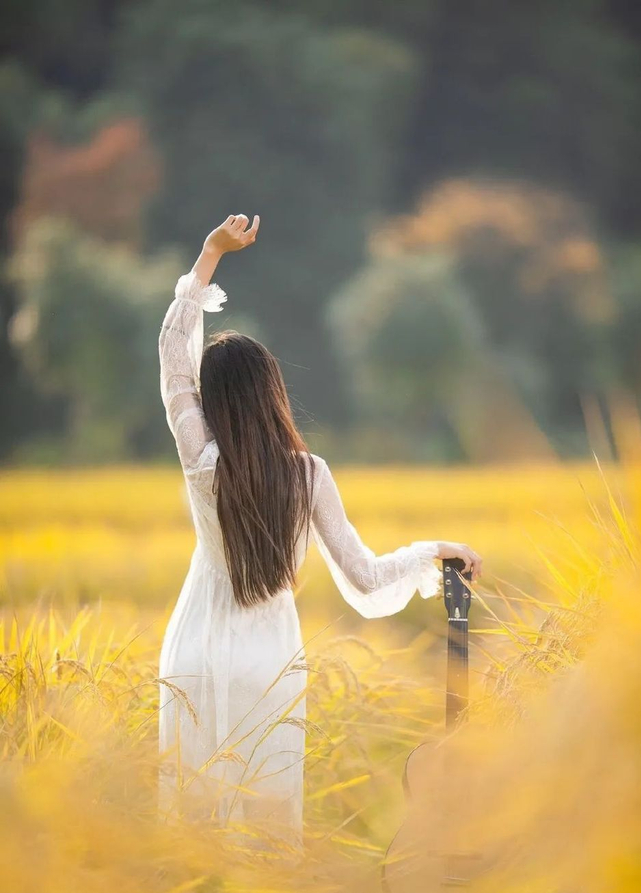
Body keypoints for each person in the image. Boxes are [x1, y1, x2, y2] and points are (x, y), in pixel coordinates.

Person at [157, 213, 483, 849]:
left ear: (213, 401)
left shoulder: (202, 464)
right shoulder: (307, 475)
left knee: (194, 823)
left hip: (193, 650)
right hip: (269, 661)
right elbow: (365, 579)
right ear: (271, 394)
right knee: (265, 819)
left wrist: (209, 256)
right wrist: (434, 552)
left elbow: (173, 360)